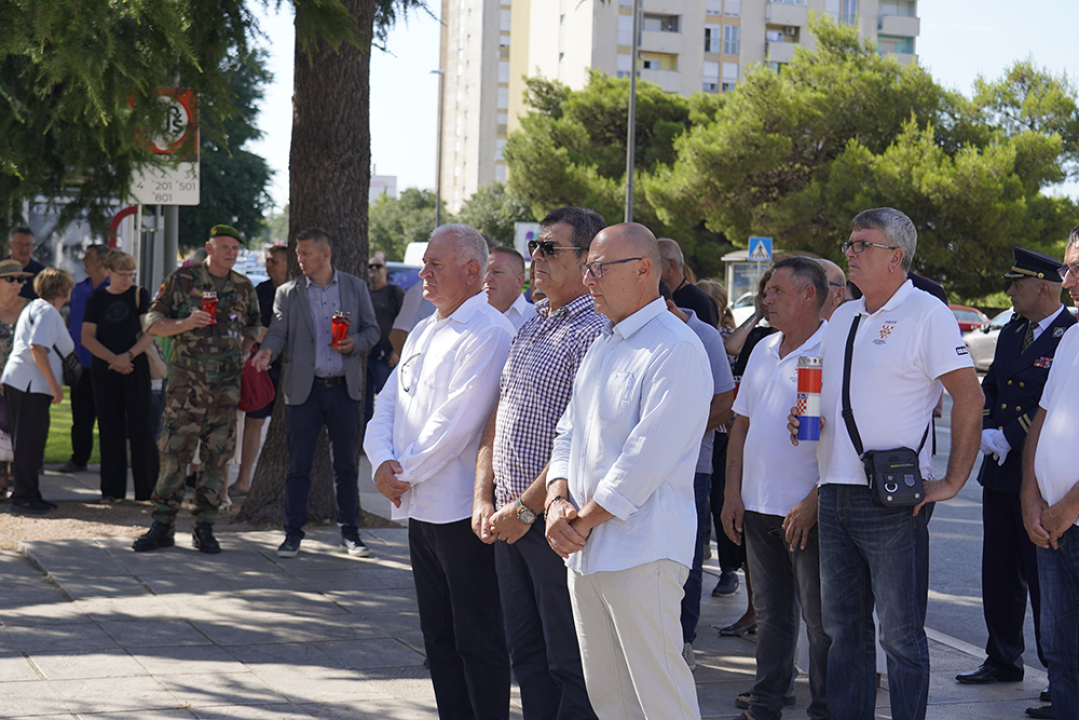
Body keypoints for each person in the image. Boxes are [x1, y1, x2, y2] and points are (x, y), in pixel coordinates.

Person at [789, 207, 983, 720]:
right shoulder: (845, 316)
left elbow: (969, 397)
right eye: (849, 243)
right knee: (844, 632)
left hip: (892, 500)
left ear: (895, 257)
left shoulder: (928, 314)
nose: (848, 253)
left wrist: (952, 482)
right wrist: (805, 419)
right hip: (835, 495)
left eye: (861, 245)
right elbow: (833, 399)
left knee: (900, 636)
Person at [544, 222, 711, 719]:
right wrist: (556, 498)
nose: (587, 279)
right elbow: (568, 431)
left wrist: (580, 520)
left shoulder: (675, 348)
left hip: (643, 551)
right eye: (587, 267)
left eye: (597, 268)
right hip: (586, 549)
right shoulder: (604, 343)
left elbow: (645, 459)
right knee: (609, 700)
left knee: (661, 700)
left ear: (643, 270)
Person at [364, 224, 514, 720]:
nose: (423, 273)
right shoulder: (426, 328)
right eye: (425, 263)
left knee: (478, 638)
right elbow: (387, 402)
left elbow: (457, 424)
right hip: (421, 508)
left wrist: (400, 470)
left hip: (460, 510)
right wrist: (380, 459)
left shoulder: (490, 332)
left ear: (473, 272)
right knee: (438, 637)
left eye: (435, 264)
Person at [473, 206, 607, 720]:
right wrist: (484, 497)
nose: (537, 258)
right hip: (508, 520)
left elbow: (578, 439)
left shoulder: (593, 332)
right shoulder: (532, 324)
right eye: (535, 248)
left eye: (550, 249)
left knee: (568, 661)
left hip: (553, 523)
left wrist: (524, 510)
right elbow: (497, 417)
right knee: (526, 656)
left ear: (588, 259)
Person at [956, 249, 1072, 693]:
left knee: (1045, 581)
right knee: (999, 572)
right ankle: (1002, 657)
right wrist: (987, 429)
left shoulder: (1069, 333)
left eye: (1016, 285)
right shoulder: (1013, 331)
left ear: (1043, 287)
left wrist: (1011, 436)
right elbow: (991, 388)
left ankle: (1057, 673)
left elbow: (1055, 404)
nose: (1009, 292)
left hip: (1040, 477)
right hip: (1001, 471)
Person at [723, 256, 832, 720]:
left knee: (819, 620)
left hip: (808, 508)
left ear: (810, 295)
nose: (765, 299)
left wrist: (815, 501)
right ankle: (767, 700)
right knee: (771, 613)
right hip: (759, 505)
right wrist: (733, 495)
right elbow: (741, 426)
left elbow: (846, 437)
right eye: (766, 292)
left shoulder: (836, 350)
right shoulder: (763, 348)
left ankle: (826, 707)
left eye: (777, 292)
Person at [132, 224, 261, 554]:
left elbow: (253, 327)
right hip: (186, 385)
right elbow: (151, 322)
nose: (231, 252)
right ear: (210, 247)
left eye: (236, 247)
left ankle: (205, 526)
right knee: (175, 454)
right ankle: (162, 524)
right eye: (225, 247)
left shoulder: (244, 286)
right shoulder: (182, 280)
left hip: (225, 388)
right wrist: (184, 324)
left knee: (217, 457)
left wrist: (242, 351)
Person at [253, 228, 380, 558]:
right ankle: (292, 534)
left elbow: (373, 330)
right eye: (298, 254)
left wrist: (356, 344)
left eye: (306, 253)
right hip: (304, 393)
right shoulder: (288, 292)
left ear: (326, 255)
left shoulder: (354, 287)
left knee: (346, 467)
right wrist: (267, 352)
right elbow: (278, 331)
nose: (300, 259)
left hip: (343, 389)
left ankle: (351, 534)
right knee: (298, 466)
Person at [656, 280, 735, 670]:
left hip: (693, 468)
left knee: (686, 560)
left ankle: (683, 640)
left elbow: (725, 403)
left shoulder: (703, 336)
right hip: (645, 471)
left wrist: (677, 435)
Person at [1019, 227, 1079, 720]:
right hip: (1052, 522)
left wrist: (1068, 507)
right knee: (1058, 641)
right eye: (1067, 267)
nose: (1068, 279)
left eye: (1077, 268)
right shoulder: (1074, 336)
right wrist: (1030, 497)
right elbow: (1041, 417)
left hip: (1068, 517)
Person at [80, 251, 160, 503]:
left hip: (135, 368)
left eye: (130, 275)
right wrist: (113, 359)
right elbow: (87, 337)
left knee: (142, 428)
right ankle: (111, 491)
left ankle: (146, 490)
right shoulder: (96, 298)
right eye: (122, 274)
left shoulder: (139, 295)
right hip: (106, 371)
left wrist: (128, 355)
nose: (126, 279)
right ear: (109, 273)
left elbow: (150, 331)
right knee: (109, 428)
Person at [1, 268, 75, 514]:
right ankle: (24, 497)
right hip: (29, 384)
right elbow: (37, 347)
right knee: (29, 442)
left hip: (22, 381)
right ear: (62, 289)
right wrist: (54, 385)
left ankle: (29, 493)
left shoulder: (35, 307)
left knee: (29, 441)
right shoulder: (45, 310)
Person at [233, 245, 289, 496]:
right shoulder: (261, 291)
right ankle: (244, 481)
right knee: (253, 422)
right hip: (261, 368)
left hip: (292, 369)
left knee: (289, 426)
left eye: (274, 261)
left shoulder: (298, 291)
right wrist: (261, 335)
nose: (268, 265)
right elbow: (249, 324)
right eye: (267, 261)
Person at [61, 244, 111, 474]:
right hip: (80, 364)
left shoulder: (113, 290)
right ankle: (78, 459)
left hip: (106, 363)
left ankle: (110, 463)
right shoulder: (78, 290)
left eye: (89, 257)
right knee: (80, 415)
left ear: (102, 262)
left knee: (108, 416)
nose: (83, 260)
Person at [0, 259, 32, 500]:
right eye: (10, 279)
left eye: (20, 279)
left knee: (22, 432)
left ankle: (23, 485)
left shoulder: (30, 308)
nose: (17, 284)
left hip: (23, 381)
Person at [364, 250, 404, 424]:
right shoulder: (363, 293)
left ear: (385, 271)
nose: (374, 269)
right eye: (371, 266)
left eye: (378, 266)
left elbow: (404, 324)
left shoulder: (394, 292)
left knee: (388, 406)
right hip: (364, 358)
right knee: (364, 407)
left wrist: (397, 352)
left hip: (387, 358)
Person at [657, 237, 719, 327]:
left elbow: (708, 338)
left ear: (671, 265)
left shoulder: (701, 301)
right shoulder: (654, 296)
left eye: (655, 261)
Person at [484, 245, 536, 331]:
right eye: (484, 272)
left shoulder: (536, 319)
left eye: (497, 272)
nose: (487, 278)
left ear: (519, 280)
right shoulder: (471, 316)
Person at [3, 227, 46, 301]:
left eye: (28, 245)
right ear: (9, 245)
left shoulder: (42, 274)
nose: (24, 249)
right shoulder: (1, 267)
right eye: (19, 244)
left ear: (34, 246)